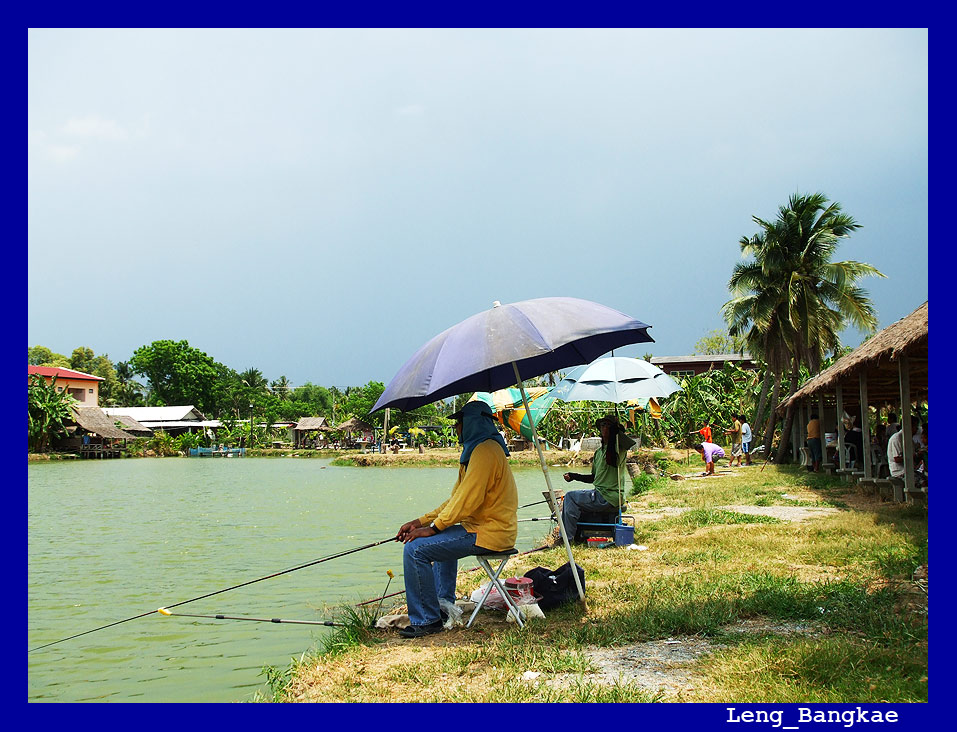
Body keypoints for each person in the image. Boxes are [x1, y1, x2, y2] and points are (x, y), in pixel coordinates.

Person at [395, 401, 517, 639]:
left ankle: (427, 620)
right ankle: (442, 605)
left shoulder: (485, 451)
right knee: (438, 535)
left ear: (472, 423)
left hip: (490, 532)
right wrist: (420, 522)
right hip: (482, 528)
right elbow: (455, 500)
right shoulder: (477, 452)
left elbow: (466, 501)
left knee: (415, 550)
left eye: (459, 424)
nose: (457, 430)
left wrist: (434, 528)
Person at [561, 415, 636, 543]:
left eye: (608, 425)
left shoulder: (619, 447)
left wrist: (617, 430)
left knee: (570, 497)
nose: (605, 428)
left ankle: (566, 540)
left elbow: (626, 447)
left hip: (609, 496)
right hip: (599, 494)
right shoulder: (599, 452)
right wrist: (574, 476)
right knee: (575, 497)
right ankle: (578, 536)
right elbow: (593, 478)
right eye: (603, 425)